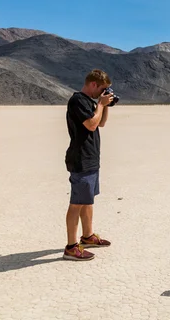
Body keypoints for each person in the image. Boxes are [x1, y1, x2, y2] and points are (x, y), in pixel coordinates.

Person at [62, 69, 114, 261]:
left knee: (88, 199)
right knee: (76, 203)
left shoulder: (92, 102)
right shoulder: (78, 101)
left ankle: (88, 236)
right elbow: (91, 124)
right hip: (80, 159)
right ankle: (71, 247)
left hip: (91, 158)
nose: (102, 93)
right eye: (102, 89)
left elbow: (101, 124)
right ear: (93, 84)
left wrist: (105, 106)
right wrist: (100, 104)